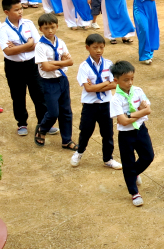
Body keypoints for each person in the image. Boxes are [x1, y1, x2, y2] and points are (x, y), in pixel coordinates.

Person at [0, 0, 55, 137]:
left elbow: (38, 44)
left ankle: (44, 123)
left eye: (21, 8)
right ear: (6, 12)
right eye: (16, 10)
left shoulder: (28, 24)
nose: (20, 12)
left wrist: (19, 47)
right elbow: (8, 51)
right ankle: (22, 123)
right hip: (13, 66)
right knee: (18, 95)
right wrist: (28, 45)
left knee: (39, 94)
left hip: (31, 64)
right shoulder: (2, 29)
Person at [70, 33, 121, 169]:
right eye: (95, 47)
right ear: (87, 48)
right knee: (86, 131)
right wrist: (105, 84)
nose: (98, 51)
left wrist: (95, 86)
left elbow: (115, 84)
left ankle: (108, 158)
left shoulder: (109, 64)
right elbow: (88, 89)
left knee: (108, 133)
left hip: (106, 104)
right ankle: (79, 152)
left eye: (101, 47)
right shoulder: (84, 67)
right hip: (90, 105)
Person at [110, 60, 154, 207]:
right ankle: (134, 192)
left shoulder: (138, 91)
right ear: (116, 81)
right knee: (128, 162)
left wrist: (133, 115)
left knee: (148, 156)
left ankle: (133, 173)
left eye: (132, 79)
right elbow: (122, 121)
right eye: (126, 80)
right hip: (126, 135)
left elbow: (148, 110)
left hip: (140, 129)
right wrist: (139, 113)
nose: (130, 83)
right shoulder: (115, 99)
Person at [33, 13, 76, 149]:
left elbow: (70, 61)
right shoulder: (40, 46)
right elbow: (45, 67)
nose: (50, 31)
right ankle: (42, 128)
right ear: (41, 29)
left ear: (57, 26)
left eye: (52, 27)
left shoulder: (60, 42)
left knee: (66, 111)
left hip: (62, 79)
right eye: (46, 28)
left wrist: (56, 63)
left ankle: (66, 140)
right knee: (53, 112)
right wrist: (62, 62)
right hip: (49, 82)